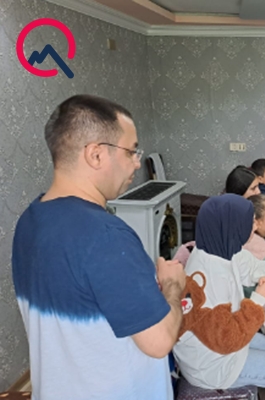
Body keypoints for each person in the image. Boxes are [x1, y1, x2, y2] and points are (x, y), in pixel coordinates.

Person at [11, 95, 186, 400]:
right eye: (131, 151)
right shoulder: (106, 236)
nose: (137, 162)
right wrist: (173, 286)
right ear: (95, 154)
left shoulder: (29, 221)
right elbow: (159, 342)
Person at [173, 194, 265, 399]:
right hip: (211, 364)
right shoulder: (207, 274)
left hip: (226, 344)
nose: (253, 226)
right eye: (249, 222)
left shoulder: (222, 249)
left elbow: (256, 266)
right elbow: (225, 339)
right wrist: (258, 299)